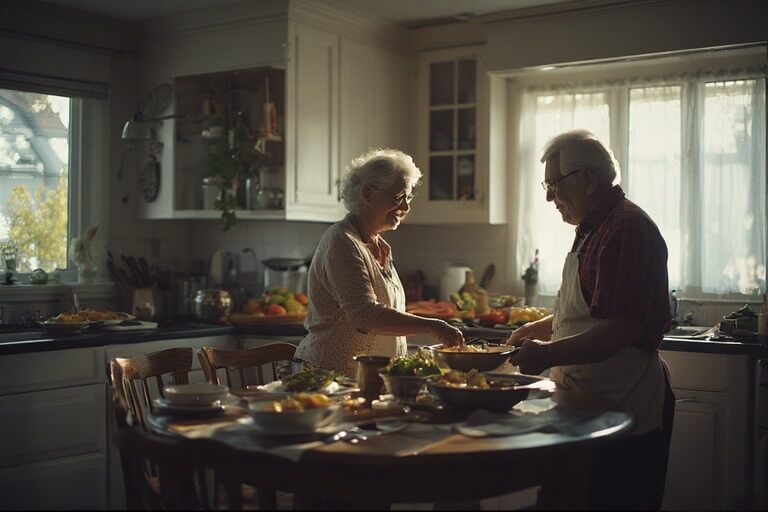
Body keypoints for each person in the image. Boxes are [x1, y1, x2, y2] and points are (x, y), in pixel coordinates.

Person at [506, 130, 676, 510]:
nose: (549, 197)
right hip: (588, 403)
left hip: (621, 405)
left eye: (554, 184)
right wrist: (542, 327)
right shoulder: (596, 226)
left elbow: (621, 329)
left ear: (588, 177)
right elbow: (592, 310)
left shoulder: (625, 228)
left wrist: (547, 354)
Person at [295, 148, 464, 378]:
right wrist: (433, 325)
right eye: (398, 198)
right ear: (366, 194)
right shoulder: (341, 242)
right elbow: (365, 315)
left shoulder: (379, 246)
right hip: (331, 378)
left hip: (370, 378)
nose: (405, 207)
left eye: (408, 198)